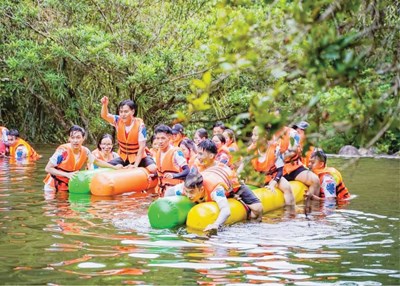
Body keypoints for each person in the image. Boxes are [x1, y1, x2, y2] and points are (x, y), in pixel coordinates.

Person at [195, 139, 263, 220]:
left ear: (211, 156)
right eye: (197, 154)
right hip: (213, 193)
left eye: (201, 154)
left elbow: (234, 184)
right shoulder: (197, 167)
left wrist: (231, 195)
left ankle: (247, 214)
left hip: (233, 187)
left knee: (258, 209)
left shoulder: (222, 167)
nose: (198, 157)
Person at [43, 125, 121, 192]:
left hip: (68, 185)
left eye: (78, 137)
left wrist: (114, 167)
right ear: (69, 139)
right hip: (52, 186)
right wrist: (67, 174)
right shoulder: (63, 151)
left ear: (83, 138)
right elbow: (48, 168)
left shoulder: (85, 151)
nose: (75, 141)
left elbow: (97, 162)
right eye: (72, 138)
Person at [100, 96, 157, 175]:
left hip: (139, 157)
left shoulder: (140, 125)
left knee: (153, 169)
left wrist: (135, 165)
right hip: (124, 156)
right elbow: (105, 115)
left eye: (126, 112)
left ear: (132, 112)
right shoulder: (117, 120)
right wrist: (105, 104)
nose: (123, 114)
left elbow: (142, 147)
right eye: (121, 111)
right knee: (104, 168)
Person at [165, 169, 231, 232]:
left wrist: (216, 224)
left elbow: (226, 210)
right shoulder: (185, 187)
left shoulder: (216, 191)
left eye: (191, 192)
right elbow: (169, 192)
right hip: (208, 173)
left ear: (201, 189)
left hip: (224, 174)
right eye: (186, 191)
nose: (188, 195)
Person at [276, 125, 320, 211]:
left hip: (293, 167)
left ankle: (313, 210)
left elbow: (293, 151)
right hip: (276, 169)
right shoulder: (266, 134)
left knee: (315, 180)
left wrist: (277, 157)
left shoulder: (292, 133)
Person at [247, 126, 295, 206]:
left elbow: (280, 170)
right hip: (257, 178)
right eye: (253, 135)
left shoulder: (275, 149)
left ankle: (290, 213)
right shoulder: (250, 150)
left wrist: (273, 183)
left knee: (287, 187)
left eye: (255, 135)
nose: (253, 137)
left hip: (272, 176)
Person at [154, 124, 189, 194]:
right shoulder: (158, 152)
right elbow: (162, 172)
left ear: (169, 138)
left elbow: (187, 170)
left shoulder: (176, 152)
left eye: (163, 138)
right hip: (163, 189)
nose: (160, 141)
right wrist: (154, 175)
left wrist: (174, 175)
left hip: (175, 190)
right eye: (158, 138)